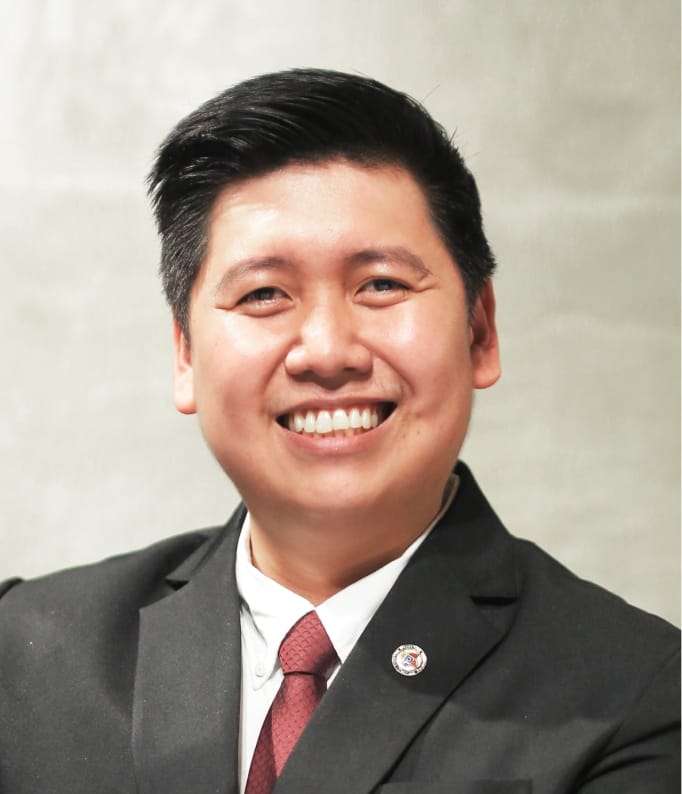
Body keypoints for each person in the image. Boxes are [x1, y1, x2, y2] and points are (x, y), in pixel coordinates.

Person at [0, 68, 678, 794]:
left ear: (480, 331)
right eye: (264, 294)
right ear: (186, 356)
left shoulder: (637, 696)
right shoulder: (25, 656)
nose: (327, 351)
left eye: (381, 284)